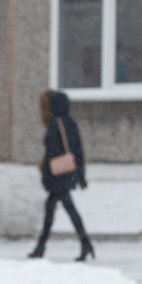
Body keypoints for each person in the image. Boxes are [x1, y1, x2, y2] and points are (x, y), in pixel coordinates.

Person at [28, 90, 95, 261]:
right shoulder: (70, 123)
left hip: (58, 176)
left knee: (58, 210)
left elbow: (51, 154)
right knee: (60, 209)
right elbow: (78, 150)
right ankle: (82, 244)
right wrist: (81, 174)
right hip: (67, 173)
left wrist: (45, 175)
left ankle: (42, 247)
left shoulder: (55, 125)